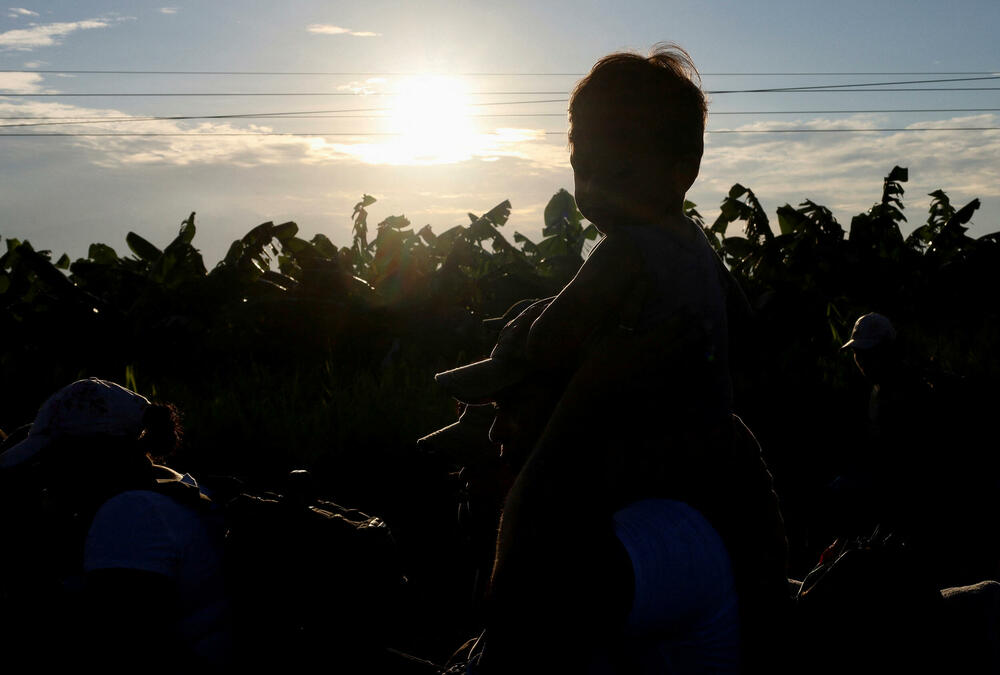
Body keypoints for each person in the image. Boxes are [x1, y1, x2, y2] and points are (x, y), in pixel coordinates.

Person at [432, 300, 789, 674]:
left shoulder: (668, 536)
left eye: (513, 406)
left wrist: (569, 425)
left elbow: (516, 622)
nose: (495, 430)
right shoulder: (600, 517)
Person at [0, 378, 232, 667]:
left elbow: (114, 645)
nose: (46, 477)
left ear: (88, 456)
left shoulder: (129, 515)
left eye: (51, 458)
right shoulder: (170, 490)